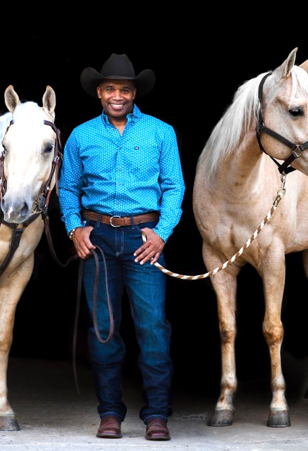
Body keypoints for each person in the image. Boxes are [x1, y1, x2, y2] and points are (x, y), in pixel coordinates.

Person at [58, 53, 185, 441]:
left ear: (134, 93)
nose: (117, 95)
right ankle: (110, 412)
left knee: (153, 328)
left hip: (144, 238)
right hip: (96, 239)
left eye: (124, 89)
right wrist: (73, 228)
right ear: (99, 92)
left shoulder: (161, 132)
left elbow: (174, 186)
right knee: (104, 331)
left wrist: (161, 233)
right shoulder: (81, 135)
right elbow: (67, 188)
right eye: (110, 88)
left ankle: (157, 415)